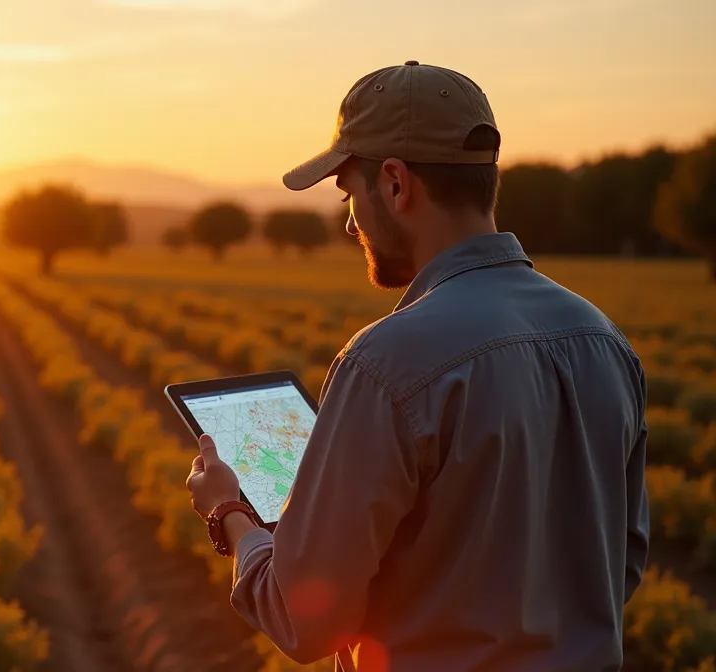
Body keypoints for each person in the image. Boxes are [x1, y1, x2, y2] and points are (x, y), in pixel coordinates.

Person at [185, 61, 649, 671]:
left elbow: (304, 619)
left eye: (349, 194)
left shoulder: (385, 364)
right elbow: (623, 562)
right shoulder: (605, 340)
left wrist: (231, 514)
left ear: (398, 185)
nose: (350, 221)